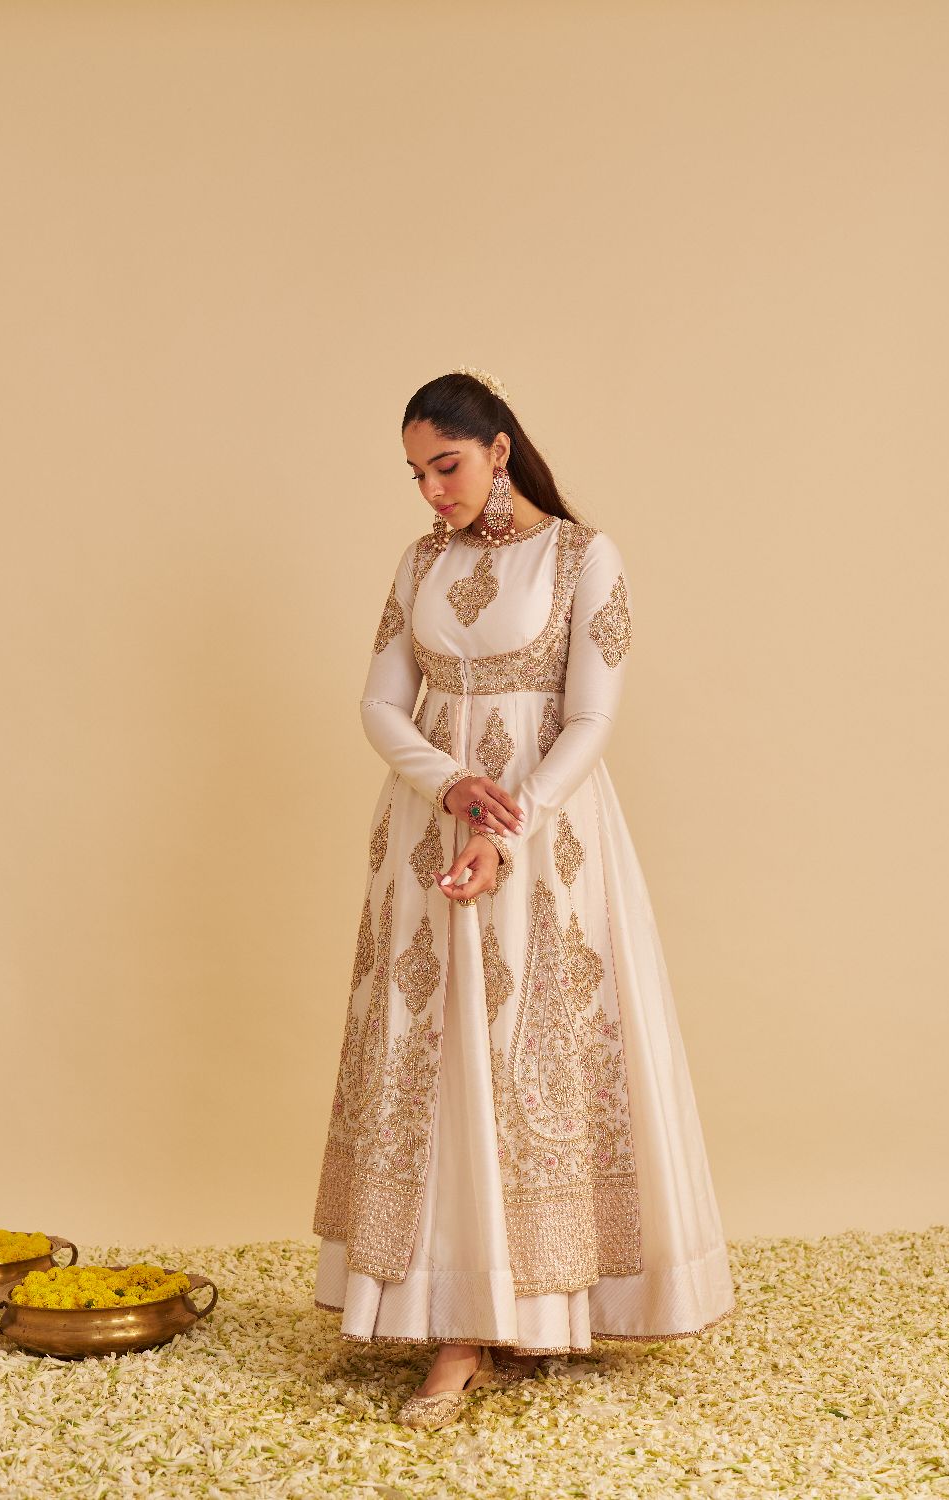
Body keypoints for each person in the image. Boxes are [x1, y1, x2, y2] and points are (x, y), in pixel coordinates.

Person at [312, 368, 735, 1430]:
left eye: (445, 465)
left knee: (522, 1047)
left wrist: (505, 826)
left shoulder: (586, 558)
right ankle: (449, 1314)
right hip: (427, 827)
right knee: (434, 1049)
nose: (430, 491)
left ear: (499, 450)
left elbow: (591, 719)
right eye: (415, 474)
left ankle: (522, 1311)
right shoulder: (419, 562)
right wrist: (448, 785)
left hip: (546, 836)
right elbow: (379, 702)